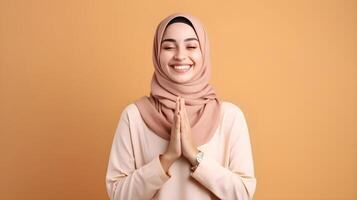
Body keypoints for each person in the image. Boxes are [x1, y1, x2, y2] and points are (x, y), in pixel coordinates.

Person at [105, 13, 256, 200]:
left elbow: (242, 194)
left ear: (204, 52)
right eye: (168, 47)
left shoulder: (229, 117)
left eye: (191, 46)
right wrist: (166, 159)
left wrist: (195, 156)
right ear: (156, 54)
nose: (180, 56)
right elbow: (118, 194)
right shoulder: (134, 116)